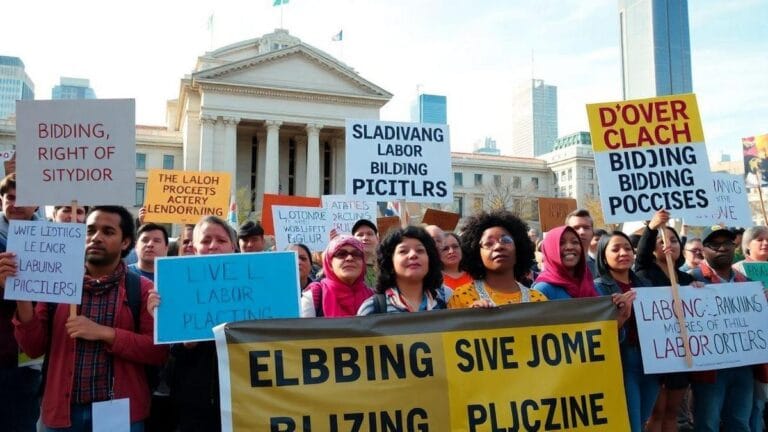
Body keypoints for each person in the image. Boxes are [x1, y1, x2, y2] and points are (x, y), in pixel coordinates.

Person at [10, 206, 167, 431]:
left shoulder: (142, 289)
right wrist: (20, 292)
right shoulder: (58, 282)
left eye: (108, 232)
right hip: (61, 415)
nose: (96, 237)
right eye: (90, 230)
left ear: (125, 242)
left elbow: (157, 352)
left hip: (119, 415)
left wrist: (105, 333)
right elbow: (32, 348)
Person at [150, 215, 237, 432]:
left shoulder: (259, 285)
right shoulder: (173, 286)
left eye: (221, 240)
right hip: (194, 404)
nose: (213, 246)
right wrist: (178, 338)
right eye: (206, 241)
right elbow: (168, 356)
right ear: (195, 247)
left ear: (234, 247)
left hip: (244, 399)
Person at [689, 225, 763, 432]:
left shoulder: (747, 283)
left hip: (744, 367)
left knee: (740, 422)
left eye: (727, 244)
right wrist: (689, 295)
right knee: (708, 424)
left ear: (735, 247)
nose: (722, 249)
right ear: (703, 250)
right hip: (710, 370)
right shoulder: (690, 280)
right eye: (715, 244)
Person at [635, 210, 697, 432]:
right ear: (652, 248)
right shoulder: (644, 273)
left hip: (681, 354)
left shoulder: (688, 279)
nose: (668, 244)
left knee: (672, 414)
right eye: (661, 241)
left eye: (673, 240)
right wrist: (652, 227)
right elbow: (640, 256)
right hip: (657, 354)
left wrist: (699, 291)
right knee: (656, 413)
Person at [594, 231, 658, 432]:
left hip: (652, 361)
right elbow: (599, 333)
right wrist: (618, 316)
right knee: (630, 425)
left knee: (640, 421)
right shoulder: (598, 288)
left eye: (628, 248)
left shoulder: (646, 285)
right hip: (623, 361)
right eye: (615, 249)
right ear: (603, 256)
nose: (623, 253)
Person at [0, 173, 42, 431]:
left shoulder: (56, 240)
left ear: (37, 204)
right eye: (10, 197)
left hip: (28, 358)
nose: (15, 204)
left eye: (23, 198)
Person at [448, 211, 546, 308]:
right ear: (476, 252)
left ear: (519, 248)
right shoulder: (461, 298)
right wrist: (471, 317)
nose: (498, 246)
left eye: (506, 241)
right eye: (489, 243)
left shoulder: (538, 300)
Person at [358, 226, 447, 315]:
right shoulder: (372, 308)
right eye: (403, 251)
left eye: (420, 250)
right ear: (390, 261)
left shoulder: (446, 303)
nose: (413, 255)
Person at [301, 236, 372, 317]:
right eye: (341, 254)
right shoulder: (314, 295)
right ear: (330, 262)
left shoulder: (374, 297)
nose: (349, 258)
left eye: (356, 254)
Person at [532, 225, 598, 300]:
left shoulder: (588, 282)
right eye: (561, 243)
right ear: (550, 250)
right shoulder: (542, 290)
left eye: (575, 242)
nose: (570, 247)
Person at [565, 208, 597, 276]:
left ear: (593, 233)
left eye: (586, 227)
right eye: (576, 228)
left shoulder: (600, 269)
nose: (582, 232)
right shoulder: (559, 268)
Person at [352, 219, 379, 288]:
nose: (365, 238)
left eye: (370, 234)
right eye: (360, 235)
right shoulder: (347, 266)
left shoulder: (387, 267)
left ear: (377, 239)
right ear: (352, 240)